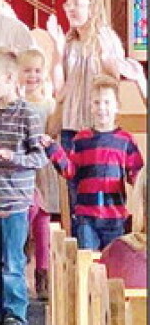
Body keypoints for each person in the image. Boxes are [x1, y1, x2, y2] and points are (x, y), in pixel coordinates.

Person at [46, 0, 147, 231]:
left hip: (98, 130)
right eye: (68, 3)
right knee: (76, 197)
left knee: (101, 195)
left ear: (93, 7)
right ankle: (81, 252)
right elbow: (59, 89)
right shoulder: (68, 42)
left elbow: (113, 82)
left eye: (77, 4)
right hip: (71, 128)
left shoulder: (106, 39)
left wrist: (112, 64)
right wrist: (57, 51)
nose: (70, 9)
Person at [0, 49, 48, 325]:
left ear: (11, 78)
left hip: (15, 205)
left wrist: (14, 158)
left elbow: (40, 157)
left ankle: (15, 314)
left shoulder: (28, 115)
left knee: (13, 264)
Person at [41, 75, 144, 250]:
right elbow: (70, 171)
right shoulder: (81, 140)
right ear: (90, 106)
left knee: (112, 265)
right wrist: (53, 150)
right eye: (96, 103)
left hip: (115, 217)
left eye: (107, 102)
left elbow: (138, 176)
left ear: (117, 106)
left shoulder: (126, 141)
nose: (101, 108)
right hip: (86, 217)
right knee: (86, 263)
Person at [16, 49, 59, 300]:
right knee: (23, 219)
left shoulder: (49, 104)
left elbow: (52, 133)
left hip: (42, 170)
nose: (32, 76)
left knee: (42, 222)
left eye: (37, 70)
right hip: (21, 170)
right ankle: (18, 269)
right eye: (27, 70)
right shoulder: (16, 104)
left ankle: (42, 273)